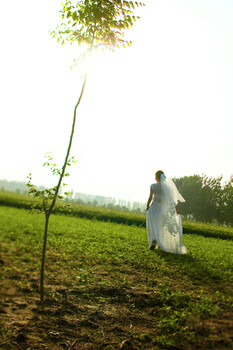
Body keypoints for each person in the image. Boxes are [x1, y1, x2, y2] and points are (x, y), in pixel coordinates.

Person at [146, 170, 187, 254]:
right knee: (160, 225)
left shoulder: (153, 186)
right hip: (162, 210)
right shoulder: (167, 188)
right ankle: (157, 240)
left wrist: (147, 205)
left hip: (154, 208)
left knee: (153, 224)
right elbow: (171, 200)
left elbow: (150, 197)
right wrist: (175, 209)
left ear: (157, 177)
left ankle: (153, 240)